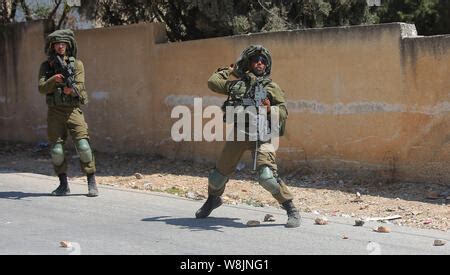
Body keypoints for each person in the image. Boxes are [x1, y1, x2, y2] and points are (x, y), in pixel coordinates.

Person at [195, 45, 300, 228]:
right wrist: (230, 70)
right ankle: (212, 200)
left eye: (262, 61)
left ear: (266, 66)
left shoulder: (271, 87)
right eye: (255, 60)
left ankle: (291, 209)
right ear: (249, 64)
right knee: (217, 177)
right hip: (240, 132)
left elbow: (283, 112)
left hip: (262, 133)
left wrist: (269, 108)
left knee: (267, 176)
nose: (259, 63)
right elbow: (213, 83)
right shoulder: (238, 85)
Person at [38, 29, 98, 197]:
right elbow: (41, 88)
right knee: (57, 151)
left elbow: (80, 87)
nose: (61, 46)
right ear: (52, 46)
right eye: (57, 44)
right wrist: (53, 80)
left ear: (68, 45)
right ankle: (63, 185)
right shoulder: (46, 66)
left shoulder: (77, 64)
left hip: (73, 110)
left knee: (84, 147)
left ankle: (91, 182)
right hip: (55, 112)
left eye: (63, 43)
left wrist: (70, 90)